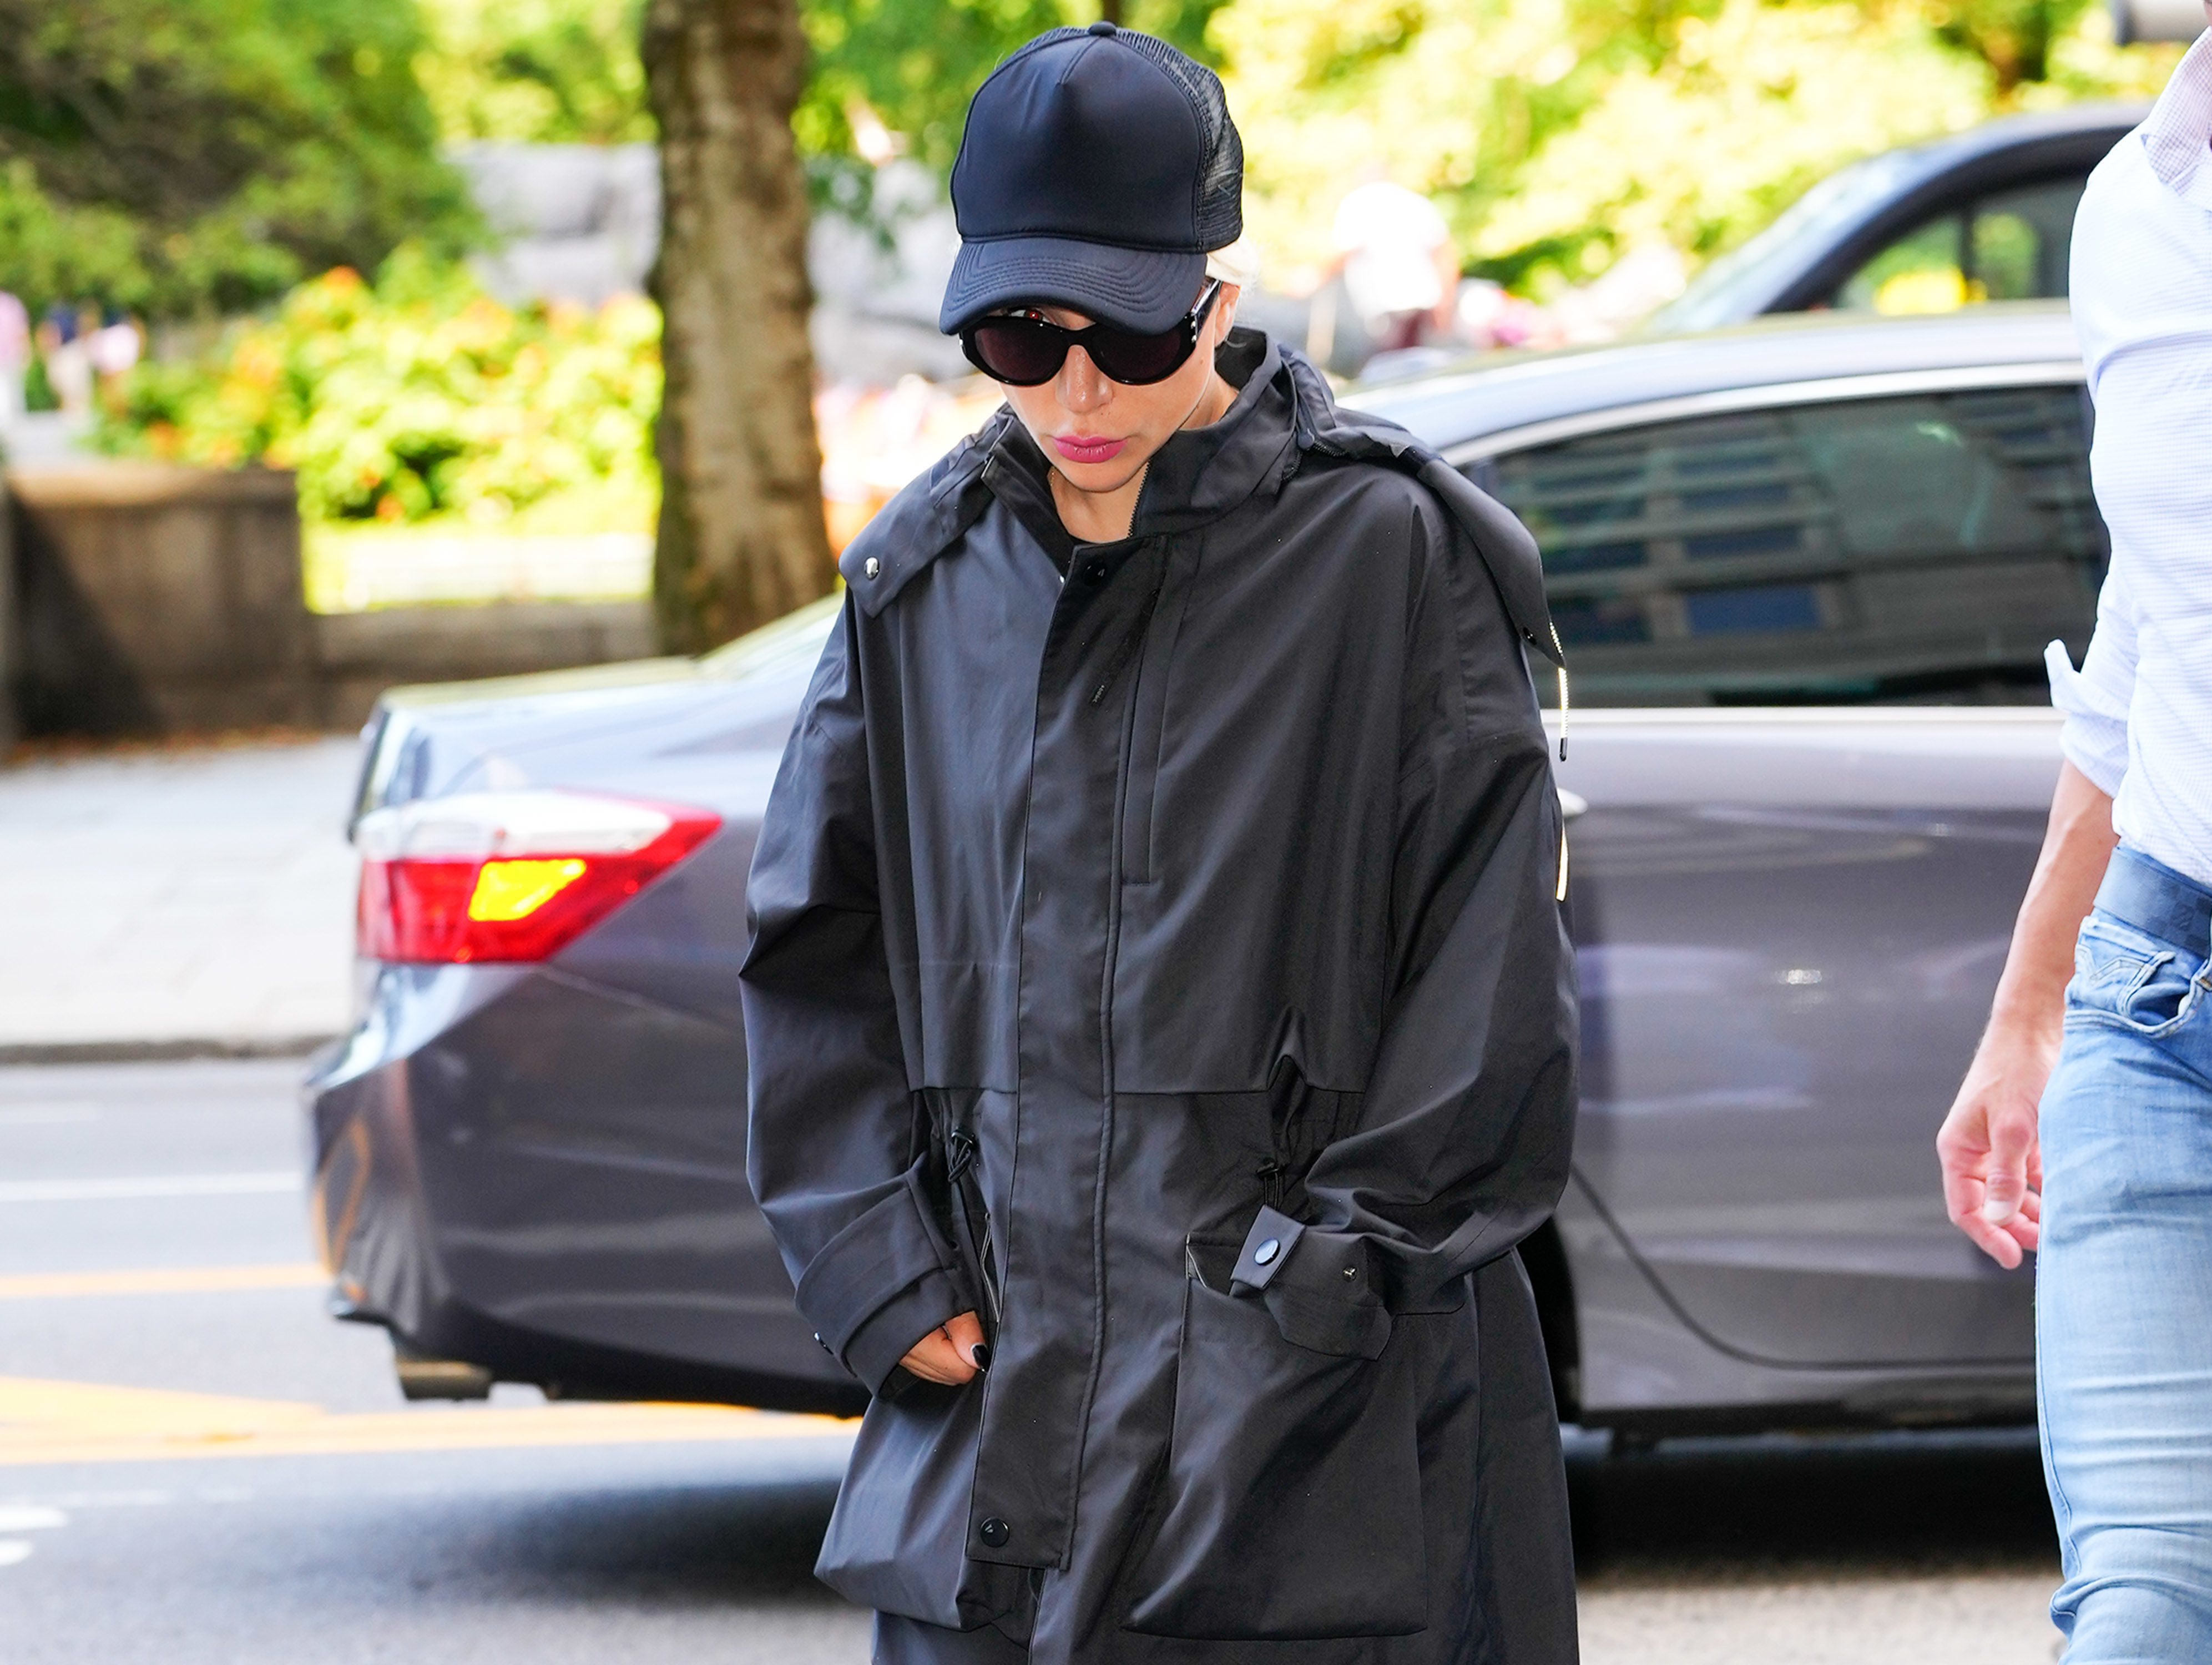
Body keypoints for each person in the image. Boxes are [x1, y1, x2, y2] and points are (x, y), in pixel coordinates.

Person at [741, 23, 1579, 1664]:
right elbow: (812, 950)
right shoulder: (922, 577)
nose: (1074, 391)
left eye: (1123, 337)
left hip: (1318, 1420)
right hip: (1005, 1416)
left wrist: (1312, 1286)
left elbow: (1486, 988)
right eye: (1017, 337)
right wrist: (874, 1267)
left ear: (1216, 300)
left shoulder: (1390, 556)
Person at [1935, 19, 2212, 1661]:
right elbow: (2147, 637)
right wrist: (2029, 1011)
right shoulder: (2134, 201)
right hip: (2156, 999)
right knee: (2135, 1624)